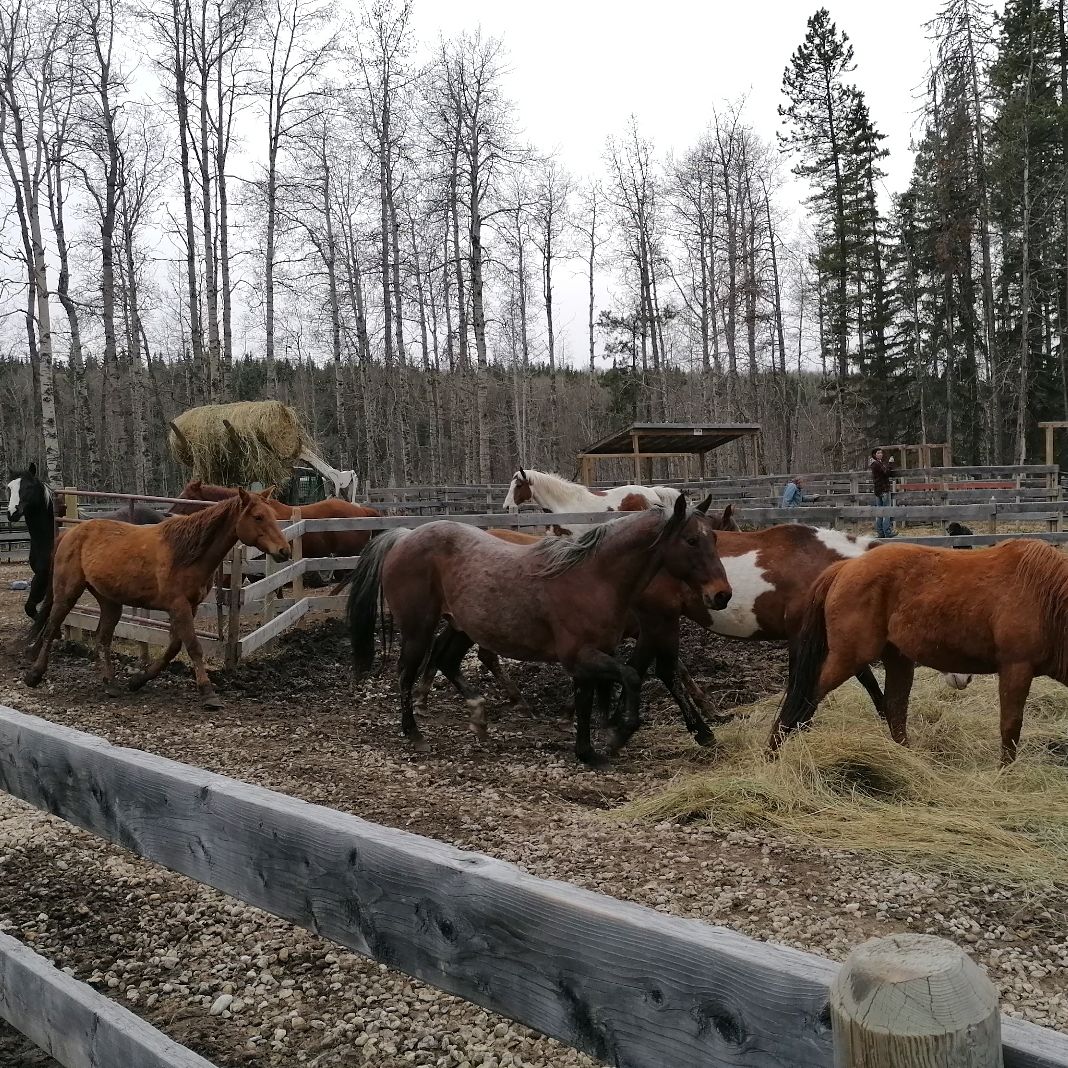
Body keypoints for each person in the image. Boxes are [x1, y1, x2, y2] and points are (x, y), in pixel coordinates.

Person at [868, 448, 897, 538]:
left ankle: (880, 532)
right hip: (883, 489)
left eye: (881, 452)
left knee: (879, 512)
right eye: (878, 453)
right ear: (874, 454)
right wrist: (890, 463)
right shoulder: (877, 464)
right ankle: (887, 532)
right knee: (886, 511)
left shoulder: (875, 464)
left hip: (878, 490)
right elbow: (886, 472)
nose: (880, 454)